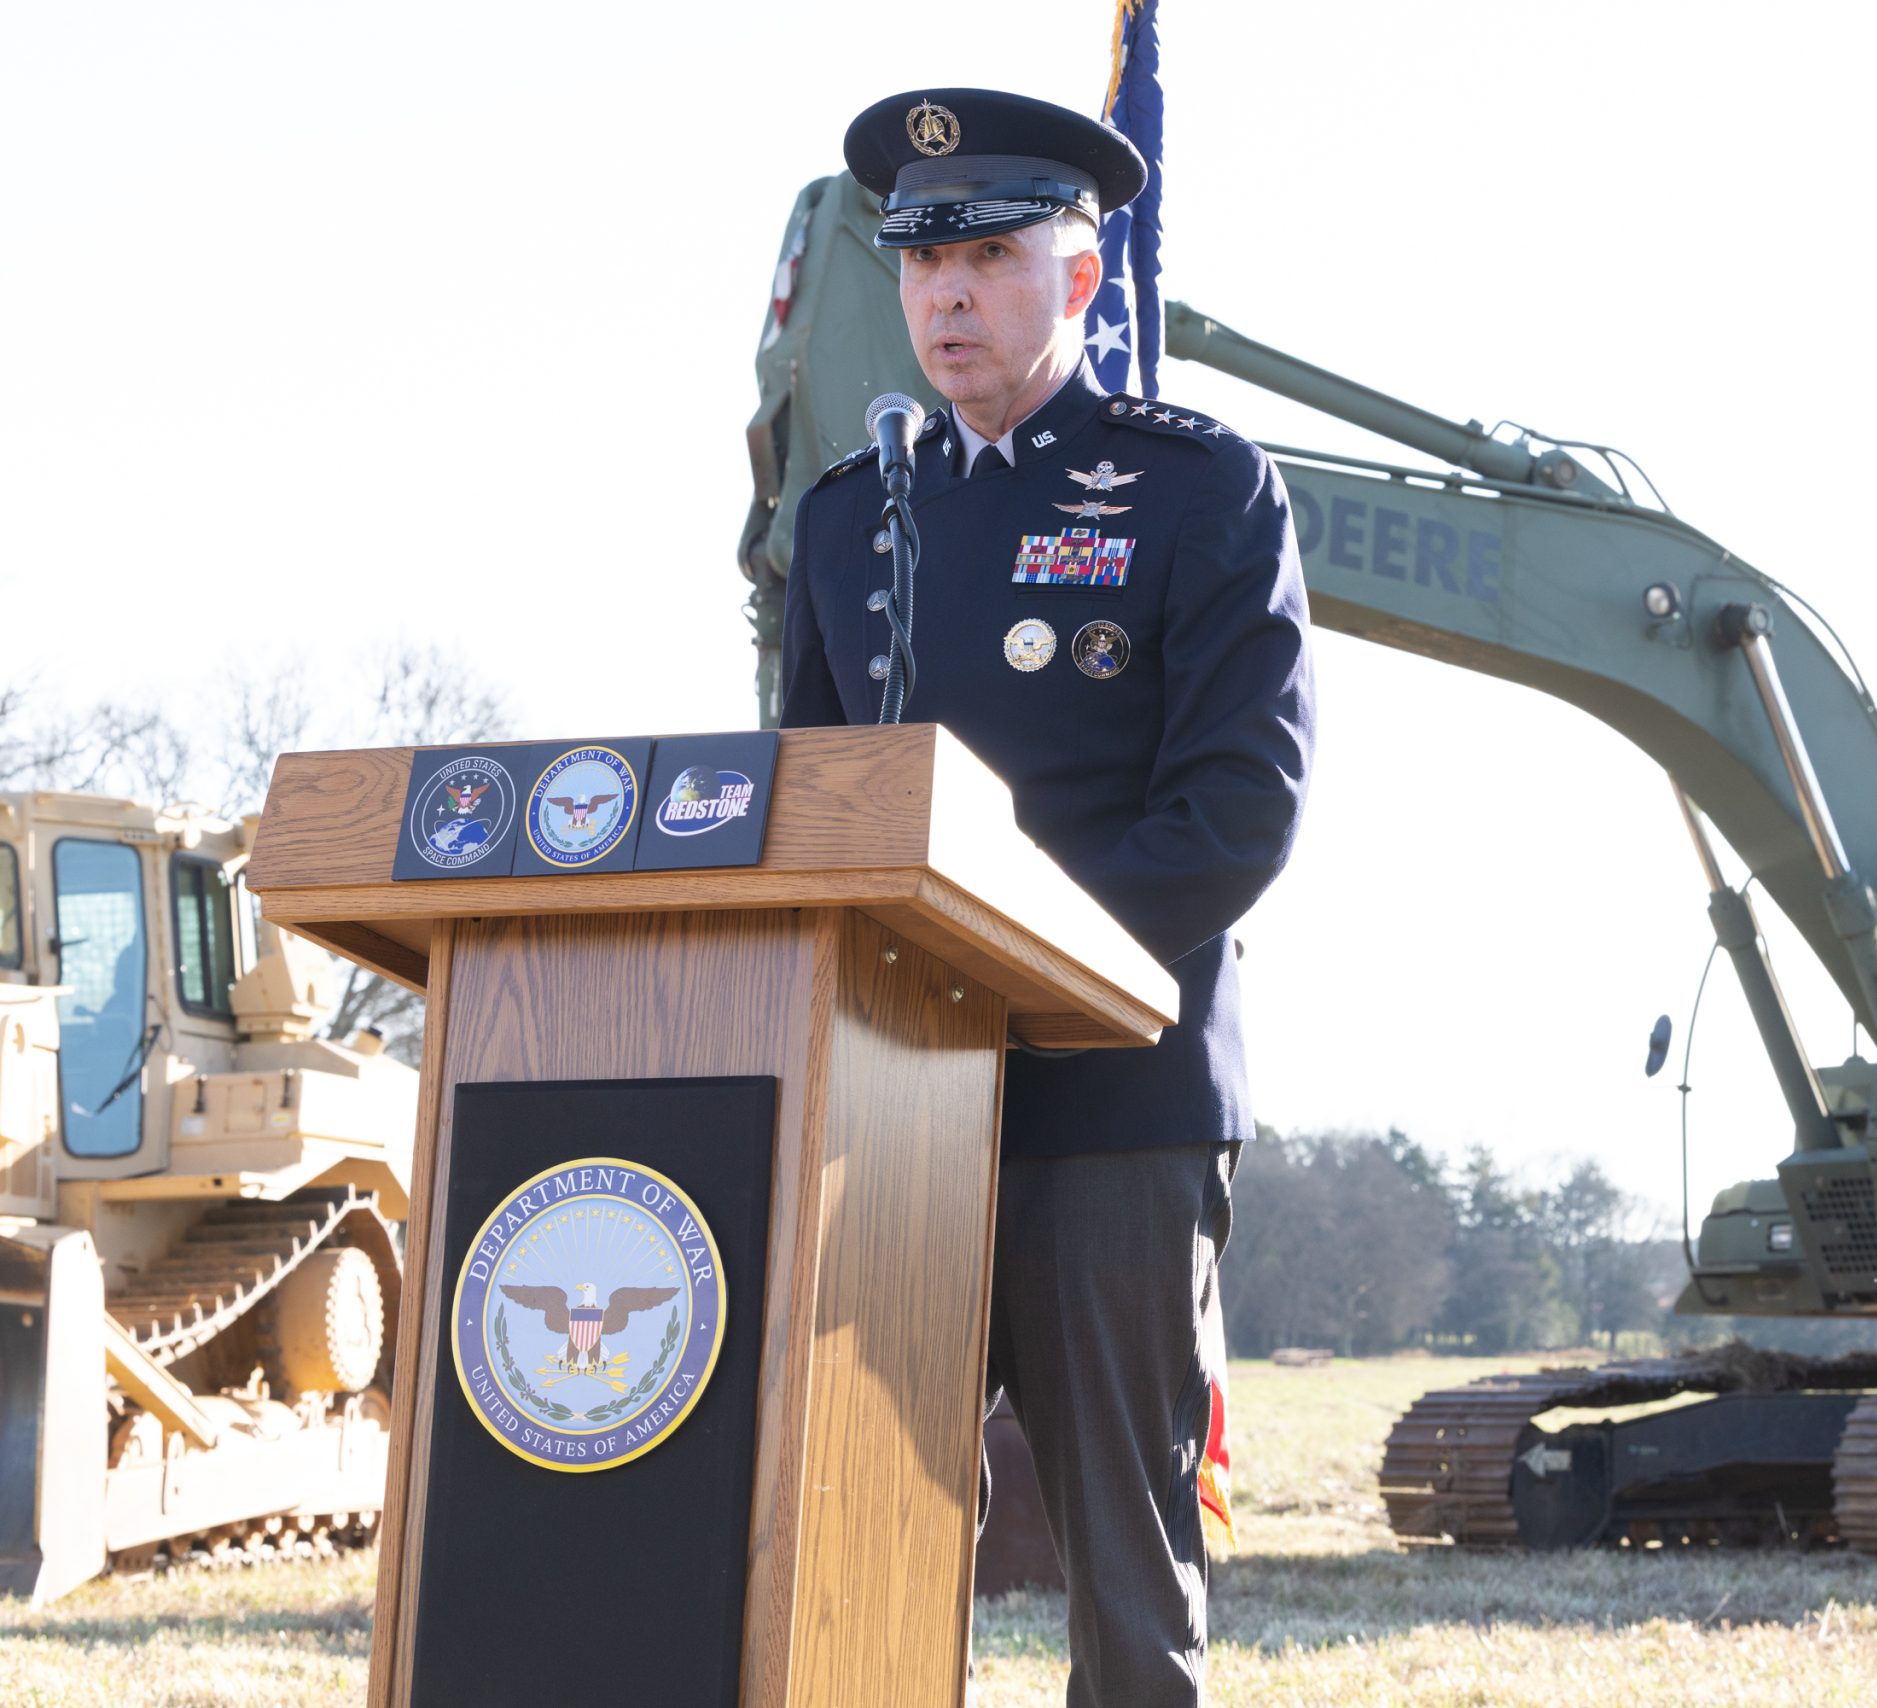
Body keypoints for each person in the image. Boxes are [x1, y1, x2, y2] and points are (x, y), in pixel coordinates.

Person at [778, 86, 1315, 1708]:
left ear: (1079, 279)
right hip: (890, 1104)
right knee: (851, 1541)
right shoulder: (847, 518)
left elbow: (1240, 808)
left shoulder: (1198, 488)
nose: (946, 295)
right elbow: (810, 809)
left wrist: (1003, 971)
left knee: (1126, 1563)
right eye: (922, 262)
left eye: (990, 259)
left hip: (1111, 1096)